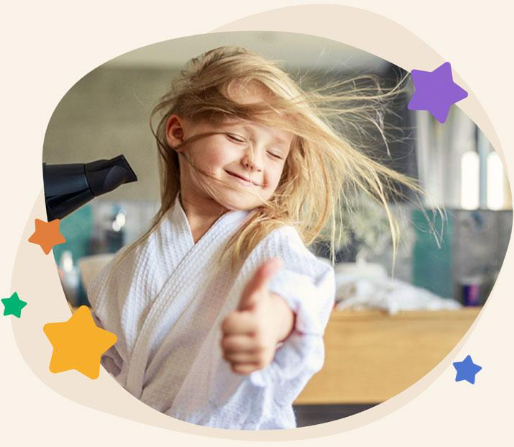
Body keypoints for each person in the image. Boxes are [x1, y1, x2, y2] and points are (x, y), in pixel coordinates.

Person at [88, 45, 424, 430]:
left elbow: (296, 287)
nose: (255, 161)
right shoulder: (129, 264)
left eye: (275, 153)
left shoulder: (268, 239)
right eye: (236, 136)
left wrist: (269, 322)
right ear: (178, 132)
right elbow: (108, 361)